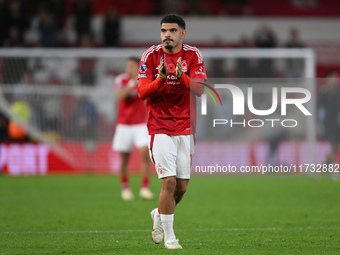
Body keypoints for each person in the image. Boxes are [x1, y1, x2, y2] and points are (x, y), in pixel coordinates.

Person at [137, 14, 206, 249]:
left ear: (182, 34)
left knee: (181, 187)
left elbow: (200, 89)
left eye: (172, 30)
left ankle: (159, 212)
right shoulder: (151, 55)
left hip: (185, 128)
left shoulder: (193, 55)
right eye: (164, 30)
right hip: (159, 127)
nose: (167, 34)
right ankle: (170, 238)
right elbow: (142, 92)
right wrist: (160, 80)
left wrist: (181, 76)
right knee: (168, 182)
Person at [113, 57, 154, 201]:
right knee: (124, 158)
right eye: (127, 65)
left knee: (145, 153)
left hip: (140, 124)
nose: (128, 68)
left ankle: (145, 188)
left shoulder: (145, 80)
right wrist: (132, 82)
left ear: (138, 67)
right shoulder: (121, 80)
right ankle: (125, 188)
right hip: (124, 125)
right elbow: (121, 96)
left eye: (131, 65)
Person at [317, 70, 340, 169]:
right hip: (328, 123)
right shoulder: (323, 92)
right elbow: (319, 109)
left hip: (337, 123)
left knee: (335, 147)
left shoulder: (338, 91)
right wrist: (318, 124)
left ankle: (322, 165)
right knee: (332, 146)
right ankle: (335, 171)